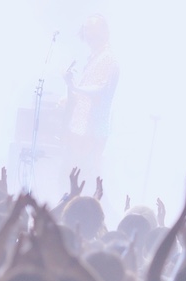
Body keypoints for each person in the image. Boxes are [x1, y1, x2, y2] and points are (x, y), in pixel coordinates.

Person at [62, 14, 120, 183]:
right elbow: (87, 90)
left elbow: (100, 90)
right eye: (86, 29)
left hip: (92, 131)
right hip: (81, 130)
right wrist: (69, 96)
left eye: (91, 29)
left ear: (103, 31)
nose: (87, 33)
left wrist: (75, 88)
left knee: (83, 179)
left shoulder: (107, 58)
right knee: (71, 178)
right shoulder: (94, 58)